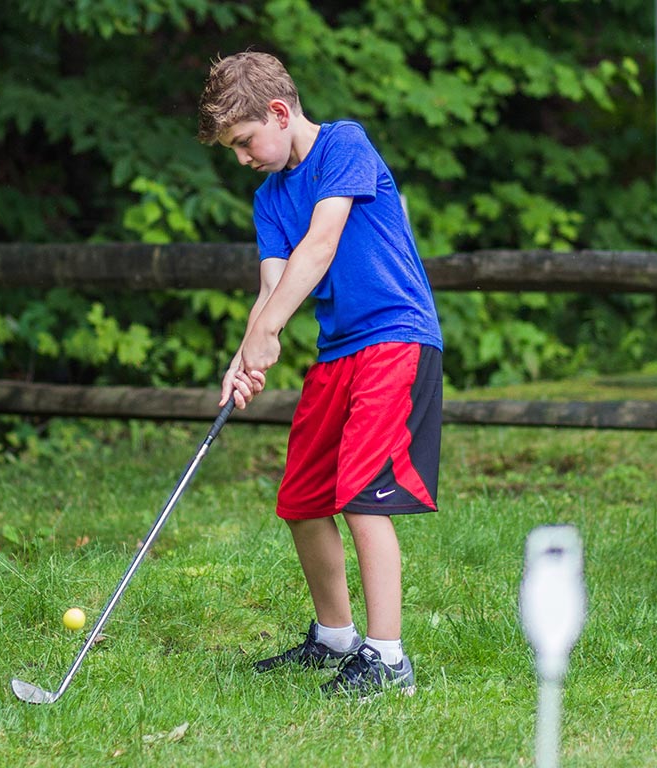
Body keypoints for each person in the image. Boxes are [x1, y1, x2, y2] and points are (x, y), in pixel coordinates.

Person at [197, 51, 443, 698]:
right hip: (338, 353)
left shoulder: (344, 146)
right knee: (302, 499)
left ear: (279, 113)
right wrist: (246, 351)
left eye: (247, 141)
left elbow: (322, 244)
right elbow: (273, 284)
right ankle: (334, 636)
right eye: (235, 150)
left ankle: (388, 658)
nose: (244, 157)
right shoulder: (270, 197)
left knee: (362, 494)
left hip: (394, 338)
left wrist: (271, 331)